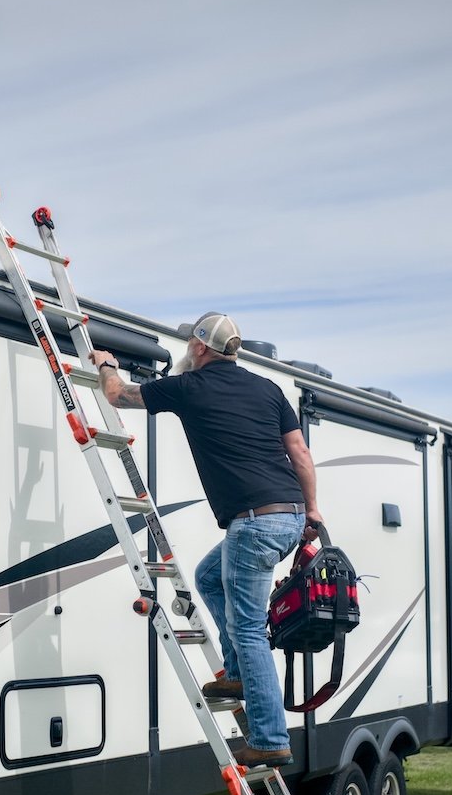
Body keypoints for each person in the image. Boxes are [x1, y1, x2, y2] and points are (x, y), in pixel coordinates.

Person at [90, 312, 322, 767]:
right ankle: (236, 675)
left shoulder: (188, 387)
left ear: (198, 347)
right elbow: (299, 452)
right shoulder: (268, 389)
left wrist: (105, 363)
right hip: (290, 516)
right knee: (208, 577)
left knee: (251, 629)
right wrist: (312, 510)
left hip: (253, 523)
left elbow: (116, 395)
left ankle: (271, 738)